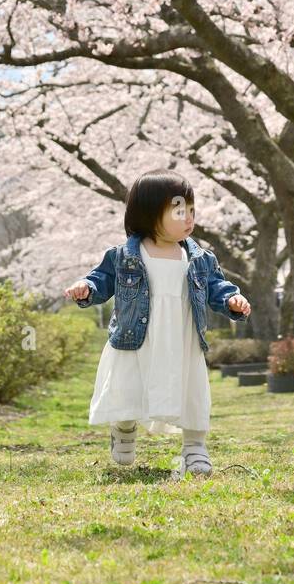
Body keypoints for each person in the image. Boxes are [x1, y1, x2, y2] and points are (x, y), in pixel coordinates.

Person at [64, 170, 251, 477]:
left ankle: (194, 446)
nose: (189, 218)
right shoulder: (124, 255)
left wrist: (233, 300)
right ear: (149, 213)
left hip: (182, 338)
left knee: (192, 392)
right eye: (180, 212)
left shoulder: (199, 258)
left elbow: (218, 287)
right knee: (128, 387)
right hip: (136, 337)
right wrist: (87, 287)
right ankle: (123, 428)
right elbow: (102, 279)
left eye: (192, 210)